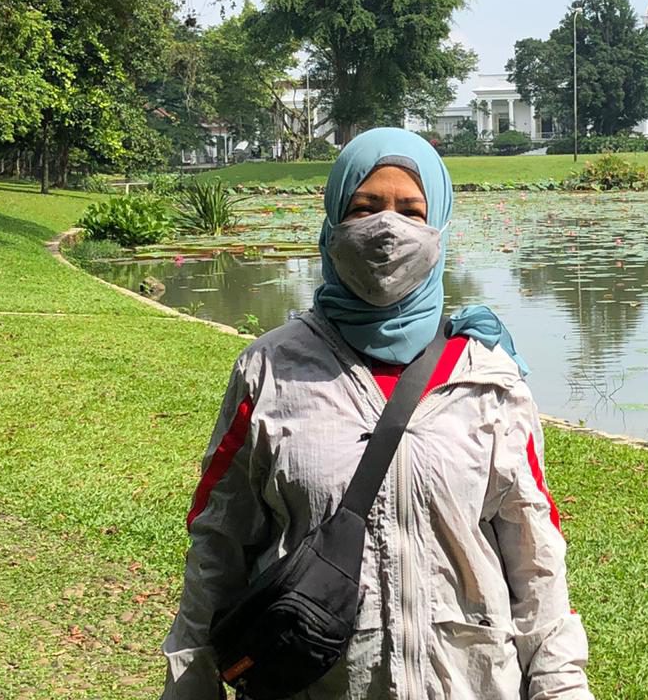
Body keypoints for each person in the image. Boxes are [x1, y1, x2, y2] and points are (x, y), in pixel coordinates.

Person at [161, 128, 592, 699]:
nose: (388, 230)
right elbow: (217, 543)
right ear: (333, 222)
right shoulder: (269, 369)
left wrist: (560, 686)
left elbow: (536, 559)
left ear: (438, 228)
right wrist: (190, 682)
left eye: (411, 212)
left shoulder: (490, 376)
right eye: (365, 208)